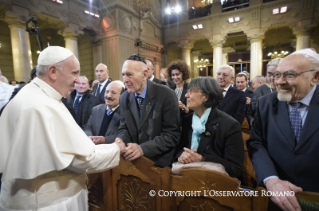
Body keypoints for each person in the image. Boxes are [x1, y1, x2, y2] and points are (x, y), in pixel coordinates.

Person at [0, 46, 125, 211]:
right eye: (74, 73)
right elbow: (82, 160)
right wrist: (116, 148)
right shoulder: (41, 106)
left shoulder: (29, 95)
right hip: (48, 203)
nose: (77, 79)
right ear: (53, 71)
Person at [248, 48, 319, 211]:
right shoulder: (265, 103)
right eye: (277, 75)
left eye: (290, 75)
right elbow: (256, 143)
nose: (279, 81)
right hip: (275, 197)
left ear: (315, 77)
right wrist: (271, 180)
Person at [115, 54, 181, 168]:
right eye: (123, 75)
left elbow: (172, 135)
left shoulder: (166, 95)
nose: (125, 80)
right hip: (131, 162)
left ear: (145, 74)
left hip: (159, 164)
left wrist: (143, 149)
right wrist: (121, 140)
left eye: (129, 75)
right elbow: (123, 127)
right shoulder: (124, 98)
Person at [175, 77, 244, 178]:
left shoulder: (229, 125)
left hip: (217, 183)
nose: (186, 95)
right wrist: (182, 156)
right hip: (188, 179)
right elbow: (178, 150)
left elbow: (235, 168)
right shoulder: (186, 121)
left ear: (206, 97)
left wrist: (202, 158)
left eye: (191, 91)